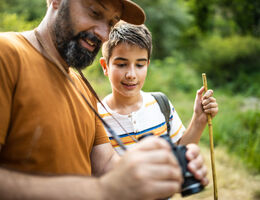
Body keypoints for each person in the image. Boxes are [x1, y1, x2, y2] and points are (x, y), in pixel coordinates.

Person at [0, 0, 208, 199]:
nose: (104, 34)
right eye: (94, 13)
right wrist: (101, 191)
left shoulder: (82, 87)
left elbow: (107, 164)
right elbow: (105, 186)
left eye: (111, 22)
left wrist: (167, 167)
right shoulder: (7, 54)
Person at [98, 22, 218, 154]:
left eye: (139, 65)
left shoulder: (161, 104)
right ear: (105, 66)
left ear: (147, 65)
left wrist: (199, 120)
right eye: (121, 64)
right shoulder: (96, 120)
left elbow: (180, 152)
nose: (131, 75)